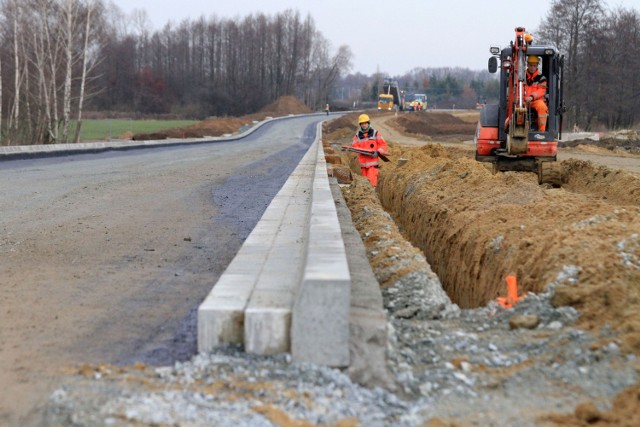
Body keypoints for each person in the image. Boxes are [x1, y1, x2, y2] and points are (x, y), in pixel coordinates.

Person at [352, 114, 388, 187]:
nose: (364, 125)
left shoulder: (375, 133)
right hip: (363, 165)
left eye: (365, 123)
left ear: (368, 123)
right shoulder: (357, 136)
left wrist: (378, 152)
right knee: (364, 185)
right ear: (360, 125)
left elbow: (383, 145)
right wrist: (361, 151)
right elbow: (354, 147)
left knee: (371, 183)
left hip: (372, 164)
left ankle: (372, 196)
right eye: (362, 124)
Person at [524, 55, 548, 132]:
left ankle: (542, 132)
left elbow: (541, 91)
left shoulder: (541, 78)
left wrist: (531, 97)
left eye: (534, 65)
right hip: (523, 101)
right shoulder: (521, 77)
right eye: (530, 65)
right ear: (527, 65)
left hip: (535, 101)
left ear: (537, 65)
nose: (532, 67)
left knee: (542, 107)